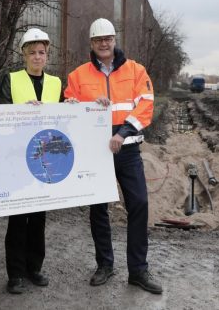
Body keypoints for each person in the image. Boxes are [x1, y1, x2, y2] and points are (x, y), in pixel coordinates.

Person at [64, 18, 163, 294]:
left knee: (139, 204)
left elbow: (145, 106)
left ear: (114, 40)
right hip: (95, 153)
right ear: (92, 44)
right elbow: (68, 107)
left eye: (108, 39)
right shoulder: (78, 75)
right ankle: (105, 265)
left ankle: (138, 270)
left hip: (127, 149)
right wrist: (75, 106)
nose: (104, 44)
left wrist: (122, 133)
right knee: (98, 210)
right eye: (98, 40)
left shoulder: (136, 71)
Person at [0, 28, 62, 294]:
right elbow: (0, 117)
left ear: (47, 55)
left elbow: (65, 119)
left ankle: (35, 268)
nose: (37, 57)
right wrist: (23, 112)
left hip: (45, 162)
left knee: (39, 219)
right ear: (23, 54)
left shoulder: (56, 83)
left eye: (41, 52)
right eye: (31, 52)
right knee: (18, 219)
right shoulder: (10, 80)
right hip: (18, 160)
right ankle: (16, 274)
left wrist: (75, 106)